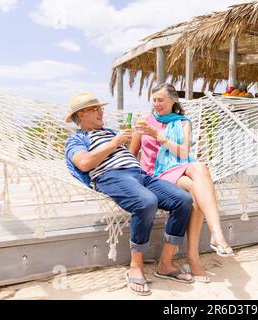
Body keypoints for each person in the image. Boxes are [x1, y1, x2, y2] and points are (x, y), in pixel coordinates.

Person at [64, 92, 194, 296]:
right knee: (146, 201)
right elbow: (84, 163)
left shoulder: (109, 132)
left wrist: (136, 135)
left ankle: (165, 265)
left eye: (101, 108)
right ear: (81, 115)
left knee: (183, 200)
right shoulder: (77, 139)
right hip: (112, 176)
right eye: (95, 108)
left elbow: (134, 151)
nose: (101, 111)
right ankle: (136, 266)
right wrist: (115, 143)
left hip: (140, 174)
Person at [130, 83, 235, 283]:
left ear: (173, 100)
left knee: (200, 170)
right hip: (153, 175)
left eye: (160, 99)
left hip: (177, 167)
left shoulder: (183, 122)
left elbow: (184, 153)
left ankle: (215, 235)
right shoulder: (143, 122)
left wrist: (158, 137)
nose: (156, 104)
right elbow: (132, 154)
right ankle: (195, 257)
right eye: (154, 100)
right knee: (198, 179)